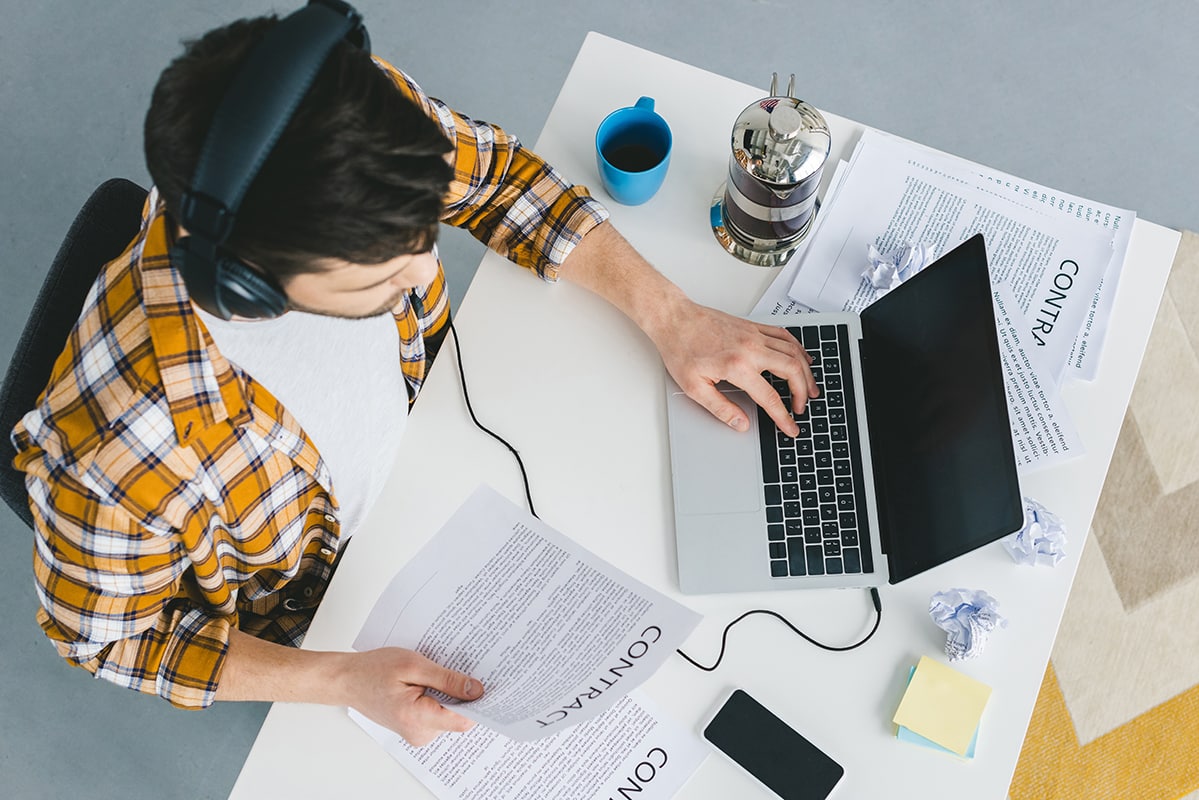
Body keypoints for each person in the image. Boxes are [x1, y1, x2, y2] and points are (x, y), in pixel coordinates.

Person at [11, 7, 816, 747]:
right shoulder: (115, 460)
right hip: (339, 597)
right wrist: (338, 680)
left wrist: (673, 316)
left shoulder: (349, 118)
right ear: (249, 285)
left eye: (421, 236)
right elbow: (108, 639)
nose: (426, 272)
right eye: (383, 276)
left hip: (445, 443)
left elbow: (497, 180)